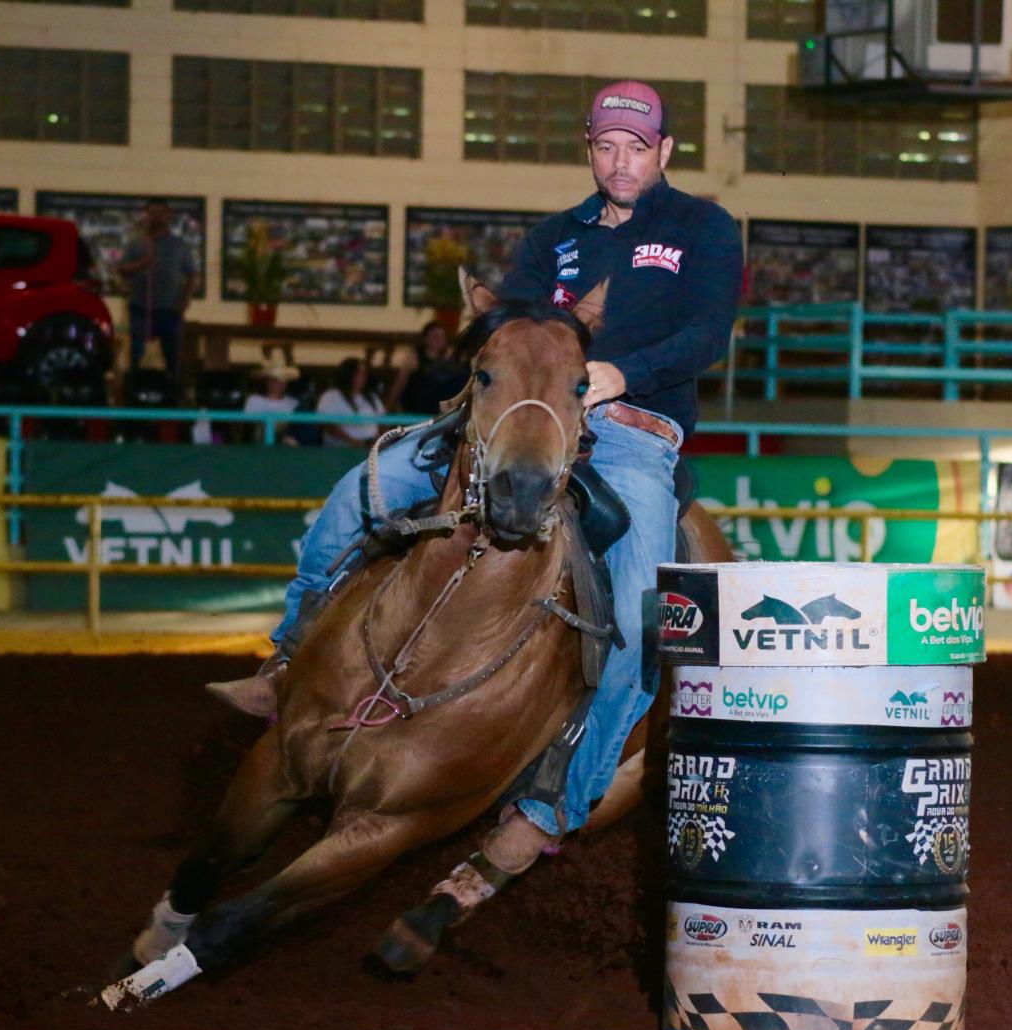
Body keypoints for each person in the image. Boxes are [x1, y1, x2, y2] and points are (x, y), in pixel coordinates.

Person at [207, 79, 742, 865]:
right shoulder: (555, 237)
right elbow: (506, 327)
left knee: (635, 614)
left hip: (630, 433)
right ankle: (287, 661)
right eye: (606, 146)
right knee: (364, 489)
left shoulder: (703, 227)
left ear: (663, 150)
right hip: (526, 419)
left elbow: (709, 333)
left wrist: (622, 374)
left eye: (637, 147)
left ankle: (558, 797)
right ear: (588, 149)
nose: (621, 162)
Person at [118, 199, 198, 387]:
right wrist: (141, 264)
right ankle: (135, 392)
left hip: (169, 310)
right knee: (136, 353)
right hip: (140, 308)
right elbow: (122, 270)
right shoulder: (136, 244)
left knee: (172, 355)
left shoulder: (179, 245)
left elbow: (192, 275)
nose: (156, 217)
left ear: (168, 216)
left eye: (160, 213)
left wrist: (185, 301)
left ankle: (172, 394)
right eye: (152, 213)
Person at [387, 322, 468, 416]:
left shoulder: (450, 358)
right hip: (421, 407)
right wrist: (389, 408)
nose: (439, 339)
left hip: (443, 408)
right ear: (426, 338)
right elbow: (399, 385)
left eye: (442, 336)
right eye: (435, 336)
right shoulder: (415, 359)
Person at [316, 356, 384, 447]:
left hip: (371, 449)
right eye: (357, 374)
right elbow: (328, 425)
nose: (360, 379)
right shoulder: (331, 396)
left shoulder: (371, 397)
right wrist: (354, 442)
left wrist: (380, 441)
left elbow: (383, 421)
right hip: (341, 449)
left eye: (363, 374)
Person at [243, 363, 301, 443]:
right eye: (275, 381)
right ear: (267, 382)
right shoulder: (254, 400)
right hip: (258, 443)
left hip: (285, 442)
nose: (279, 384)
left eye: (283, 381)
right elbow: (250, 425)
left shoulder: (294, 403)